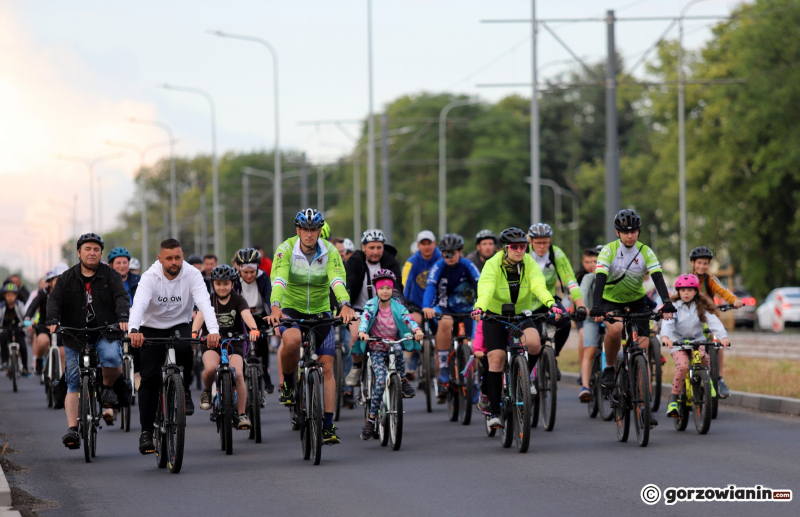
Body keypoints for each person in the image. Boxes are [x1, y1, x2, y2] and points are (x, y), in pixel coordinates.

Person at [267, 208, 354, 445]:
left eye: (313, 229)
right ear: (298, 230)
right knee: (292, 341)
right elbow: (279, 280)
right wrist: (276, 307)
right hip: (291, 308)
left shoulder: (330, 251)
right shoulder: (286, 249)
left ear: (319, 231)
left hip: (320, 310)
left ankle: (327, 425)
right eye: (304, 229)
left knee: (327, 367)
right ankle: (288, 383)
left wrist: (344, 304)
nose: (309, 234)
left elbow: (337, 280)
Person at [127, 238, 221, 455]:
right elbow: (139, 303)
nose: (174, 262)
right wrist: (133, 330)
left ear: (182, 257)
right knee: (149, 378)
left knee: (185, 349)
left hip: (179, 324)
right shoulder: (150, 277)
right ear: (160, 259)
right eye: (168, 258)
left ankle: (184, 390)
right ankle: (146, 433)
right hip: (150, 327)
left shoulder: (192, 274)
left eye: (177, 257)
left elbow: (204, 303)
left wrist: (214, 331)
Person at [589, 209, 675, 428]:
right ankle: (609, 367)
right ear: (618, 232)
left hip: (636, 301)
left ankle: (643, 406)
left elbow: (657, 277)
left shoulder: (646, 251)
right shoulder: (608, 251)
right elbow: (600, 278)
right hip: (610, 301)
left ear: (639, 232)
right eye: (626, 232)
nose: (630, 236)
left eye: (634, 231)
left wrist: (666, 302)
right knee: (616, 330)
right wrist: (597, 306)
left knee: (642, 351)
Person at [45, 233, 130, 450]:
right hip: (74, 335)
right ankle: (73, 429)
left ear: (101, 253)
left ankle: (107, 387)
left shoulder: (111, 275)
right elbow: (55, 300)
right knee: (73, 380)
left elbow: (121, 297)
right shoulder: (66, 278)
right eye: (87, 249)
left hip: (104, 331)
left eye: (96, 249)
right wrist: (53, 319)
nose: (92, 253)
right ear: (79, 252)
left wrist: (122, 317)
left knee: (112, 357)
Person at [471, 227, 561, 429]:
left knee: (535, 343)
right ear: (505, 248)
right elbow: (485, 288)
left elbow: (539, 285)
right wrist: (480, 307)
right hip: (494, 315)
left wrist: (550, 303)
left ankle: (524, 377)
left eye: (523, 246)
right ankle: (494, 413)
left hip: (521, 314)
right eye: (515, 247)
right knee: (496, 358)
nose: (520, 250)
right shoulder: (492, 264)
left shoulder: (528, 262)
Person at [354, 269, 423, 439]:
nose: (385, 291)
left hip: (393, 343)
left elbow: (408, 318)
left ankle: (402, 379)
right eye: (381, 288)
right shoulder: (371, 305)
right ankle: (371, 421)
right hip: (376, 347)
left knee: (399, 351)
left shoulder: (398, 306)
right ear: (376, 290)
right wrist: (363, 332)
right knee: (380, 381)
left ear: (393, 290)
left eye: (388, 288)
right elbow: (365, 318)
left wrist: (417, 329)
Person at [193, 265, 261, 429]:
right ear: (213, 284)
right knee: (210, 369)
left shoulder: (238, 299)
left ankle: (242, 414)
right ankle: (208, 392)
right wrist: (194, 333)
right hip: (211, 342)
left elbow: (246, 315)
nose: (222, 287)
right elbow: (200, 317)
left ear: (232, 284)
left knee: (238, 374)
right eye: (218, 284)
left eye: (226, 284)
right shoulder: (209, 299)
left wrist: (254, 329)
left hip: (234, 341)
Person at [660, 274, 730, 417]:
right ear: (678, 291)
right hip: (677, 342)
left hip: (696, 341)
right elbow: (668, 323)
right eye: (683, 290)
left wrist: (723, 337)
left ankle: (707, 380)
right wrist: (666, 337)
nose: (686, 293)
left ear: (696, 291)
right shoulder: (673, 306)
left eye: (690, 290)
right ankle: (674, 400)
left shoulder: (701, 306)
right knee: (683, 366)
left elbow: (714, 322)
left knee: (704, 357)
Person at [422, 234, 480, 403]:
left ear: (460, 252)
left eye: (452, 253)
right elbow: (431, 287)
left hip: (467, 309)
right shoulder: (438, 266)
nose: (449, 256)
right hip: (445, 307)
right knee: (445, 323)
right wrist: (426, 306)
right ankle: (444, 367)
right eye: (445, 253)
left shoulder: (468, 265)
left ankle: (474, 381)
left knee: (473, 347)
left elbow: (481, 283)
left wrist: (482, 306)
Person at [343, 229, 404, 387]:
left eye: (379, 247)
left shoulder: (390, 262)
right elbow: (347, 284)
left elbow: (397, 287)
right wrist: (346, 306)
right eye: (371, 247)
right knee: (356, 335)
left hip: (383, 310)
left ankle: (397, 376)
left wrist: (399, 307)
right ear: (363, 248)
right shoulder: (355, 261)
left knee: (394, 341)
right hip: (358, 309)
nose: (376, 251)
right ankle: (356, 366)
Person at [527, 223, 586, 380]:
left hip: (548, 301)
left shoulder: (555, 253)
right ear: (530, 242)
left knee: (565, 322)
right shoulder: (524, 254)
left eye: (545, 242)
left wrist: (580, 305)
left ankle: (553, 356)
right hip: (525, 302)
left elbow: (570, 280)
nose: (542, 246)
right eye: (538, 243)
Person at [689, 246, 743, 398]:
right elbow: (677, 294)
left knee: (717, 340)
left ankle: (719, 378)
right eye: (699, 263)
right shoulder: (687, 278)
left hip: (708, 317)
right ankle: (688, 373)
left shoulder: (710, 279)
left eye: (705, 263)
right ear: (693, 263)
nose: (702, 266)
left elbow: (724, 292)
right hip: (690, 319)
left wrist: (735, 301)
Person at [232, 247, 273, 394]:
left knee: (262, 342)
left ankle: (266, 374)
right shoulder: (234, 280)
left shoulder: (263, 277)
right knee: (240, 345)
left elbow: (269, 297)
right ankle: (240, 378)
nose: (249, 276)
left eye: (252, 272)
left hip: (260, 315)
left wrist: (273, 318)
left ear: (257, 269)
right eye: (245, 272)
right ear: (239, 270)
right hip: (241, 317)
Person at [577, 247, 602, 401]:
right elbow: (582, 292)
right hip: (591, 318)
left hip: (610, 318)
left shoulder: (615, 276)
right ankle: (585, 386)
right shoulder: (589, 278)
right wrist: (584, 308)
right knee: (590, 350)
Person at [401, 230, 441, 324]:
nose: (426, 247)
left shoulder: (441, 259)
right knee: (414, 322)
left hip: (437, 303)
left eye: (429, 243)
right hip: (416, 303)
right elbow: (405, 282)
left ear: (434, 244)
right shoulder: (411, 262)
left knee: (442, 324)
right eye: (423, 244)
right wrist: (403, 301)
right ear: (418, 245)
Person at [24, 269, 59, 376]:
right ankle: (39, 360)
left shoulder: (65, 293)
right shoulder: (43, 294)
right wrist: (27, 317)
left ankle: (61, 385)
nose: (58, 282)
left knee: (63, 355)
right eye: (56, 280)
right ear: (50, 282)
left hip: (61, 326)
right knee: (43, 342)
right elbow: (32, 306)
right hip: (44, 325)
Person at [1, 283, 29, 375]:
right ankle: (4, 361)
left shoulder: (19, 305)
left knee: (23, 347)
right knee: (3, 339)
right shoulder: (1, 307)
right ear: (4, 296)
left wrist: (26, 322)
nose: (10, 297)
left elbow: (25, 316)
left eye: (12, 295)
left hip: (18, 328)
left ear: (16, 295)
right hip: (5, 328)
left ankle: (25, 367)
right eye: (8, 295)